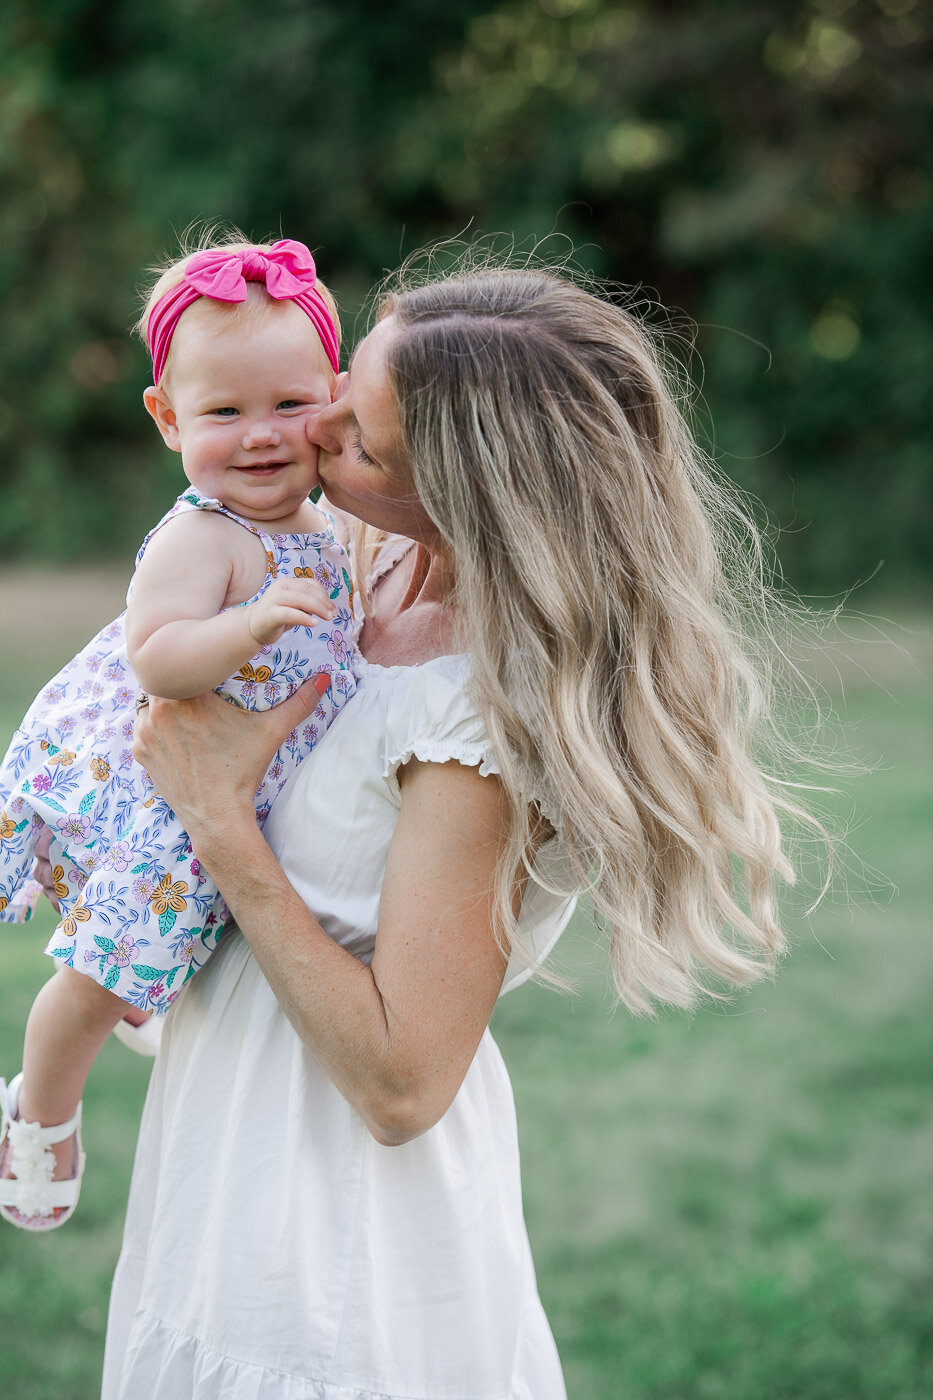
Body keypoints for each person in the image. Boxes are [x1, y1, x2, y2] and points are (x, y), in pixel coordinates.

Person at [82, 256, 812, 1400]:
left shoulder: (478, 717)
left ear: (467, 496)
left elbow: (404, 1082)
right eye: (348, 384)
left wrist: (220, 822)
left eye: (360, 439)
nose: (315, 427)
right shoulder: (371, 565)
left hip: (338, 1243)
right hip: (220, 1149)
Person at [0, 237, 358, 1230]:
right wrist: (246, 624)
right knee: (96, 976)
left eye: (290, 404)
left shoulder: (324, 523)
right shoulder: (209, 535)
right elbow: (156, 656)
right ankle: (39, 1110)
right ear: (167, 418)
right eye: (223, 412)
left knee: (152, 964)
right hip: (166, 799)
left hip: (239, 789)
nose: (260, 436)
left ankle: (139, 1004)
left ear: (335, 393)